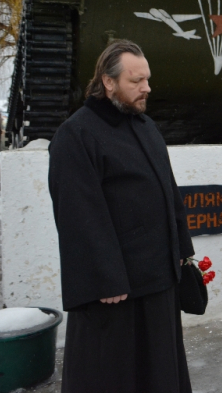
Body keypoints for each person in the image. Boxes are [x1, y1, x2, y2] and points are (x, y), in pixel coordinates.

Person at [48, 40, 195, 393]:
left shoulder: (144, 125)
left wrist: (181, 250)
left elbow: (168, 192)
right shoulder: (77, 134)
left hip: (158, 281)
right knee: (113, 377)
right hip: (116, 292)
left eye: (147, 79)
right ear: (108, 82)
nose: (147, 88)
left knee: (158, 374)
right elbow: (79, 216)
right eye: (136, 81)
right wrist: (106, 280)